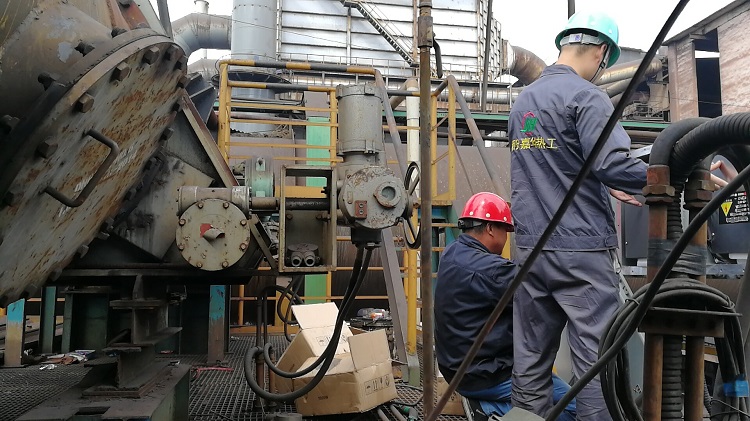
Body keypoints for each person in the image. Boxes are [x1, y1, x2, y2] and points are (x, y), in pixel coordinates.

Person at [508, 11, 648, 421]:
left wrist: (602, 179)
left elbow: (555, 166)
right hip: (581, 252)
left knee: (530, 358)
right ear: (601, 52)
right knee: (594, 362)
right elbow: (614, 164)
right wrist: (671, 170)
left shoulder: (523, 102)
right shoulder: (587, 97)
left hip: (530, 251)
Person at [435, 192, 576, 421]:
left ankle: (490, 405)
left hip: (458, 368)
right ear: (491, 228)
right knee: (575, 407)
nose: (507, 238)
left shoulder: (453, 252)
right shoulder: (489, 269)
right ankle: (492, 412)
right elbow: (535, 287)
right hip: (485, 374)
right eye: (505, 230)